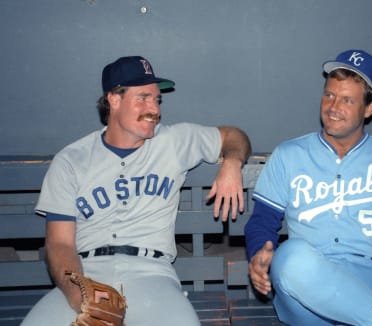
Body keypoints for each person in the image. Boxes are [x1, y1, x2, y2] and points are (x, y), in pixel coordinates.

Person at [22, 55, 251, 326]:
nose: (154, 109)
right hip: (85, 274)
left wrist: (233, 163)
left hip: (152, 275)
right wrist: (80, 296)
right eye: (143, 98)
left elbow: (234, 136)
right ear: (114, 100)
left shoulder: (174, 141)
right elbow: (59, 244)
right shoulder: (71, 160)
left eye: (157, 99)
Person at [245, 49, 372, 326]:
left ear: (369, 108)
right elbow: (261, 222)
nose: (333, 107)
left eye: (347, 100)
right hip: (304, 285)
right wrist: (260, 252)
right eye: (329, 95)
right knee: (292, 256)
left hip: (370, 281)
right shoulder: (289, 154)